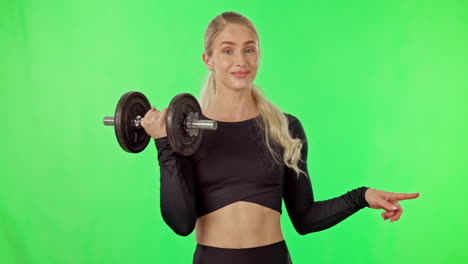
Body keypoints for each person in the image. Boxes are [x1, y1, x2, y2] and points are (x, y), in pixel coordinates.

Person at [141, 11, 420, 264]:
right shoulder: (187, 132)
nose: (241, 61)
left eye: (249, 50)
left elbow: (305, 218)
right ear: (208, 59)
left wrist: (362, 196)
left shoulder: (284, 128)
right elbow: (180, 223)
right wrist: (164, 143)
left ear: (259, 56)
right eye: (228, 51)